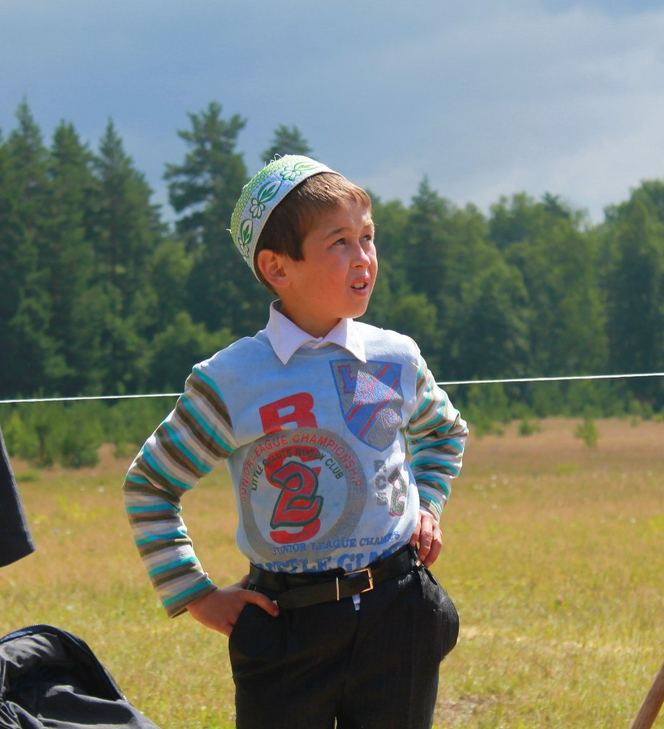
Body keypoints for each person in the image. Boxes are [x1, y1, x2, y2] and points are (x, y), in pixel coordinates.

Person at [123, 155, 468, 729]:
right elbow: (150, 486)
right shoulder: (233, 379)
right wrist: (195, 593)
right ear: (277, 267)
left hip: (399, 611)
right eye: (339, 242)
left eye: (367, 237)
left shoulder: (396, 357)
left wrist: (427, 504)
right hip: (285, 627)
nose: (363, 257)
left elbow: (444, 432)